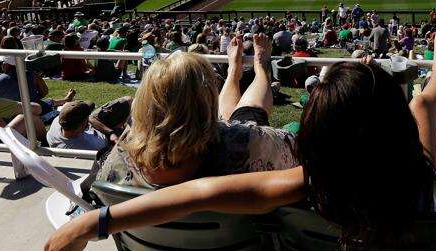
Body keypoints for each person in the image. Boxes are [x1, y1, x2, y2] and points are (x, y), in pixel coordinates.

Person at [44, 30, 436, 251]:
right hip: (413, 174)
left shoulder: (306, 180)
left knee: (422, 105)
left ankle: (254, 69)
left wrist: (93, 223)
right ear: (395, 129)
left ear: (316, 132)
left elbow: (203, 194)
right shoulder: (433, 184)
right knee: (423, 103)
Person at [94, 35, 296, 190]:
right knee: (250, 111)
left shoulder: (119, 158)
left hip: (153, 242)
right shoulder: (247, 141)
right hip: (233, 239)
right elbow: (292, 150)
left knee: (239, 117)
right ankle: (260, 66)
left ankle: (233, 70)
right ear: (209, 99)